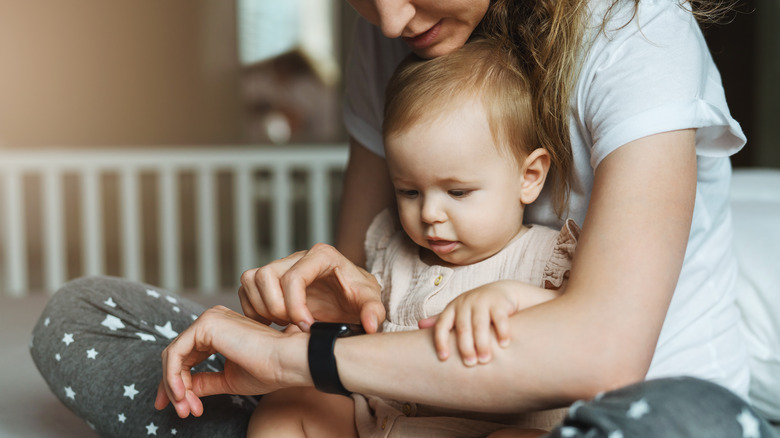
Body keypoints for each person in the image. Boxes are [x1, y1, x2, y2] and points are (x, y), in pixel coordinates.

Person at [30, 0, 780, 437]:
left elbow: (601, 356)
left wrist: (295, 361)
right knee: (82, 317)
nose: (390, 18)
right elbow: (364, 287)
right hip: (393, 402)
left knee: (692, 420)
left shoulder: (637, 31)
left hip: (606, 411)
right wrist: (301, 319)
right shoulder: (395, 28)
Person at [247, 38, 581, 437]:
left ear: (529, 177)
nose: (429, 214)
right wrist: (319, 318)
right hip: (382, 426)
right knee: (290, 406)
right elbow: (357, 332)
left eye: (457, 192)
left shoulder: (546, 257)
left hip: (486, 428)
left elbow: (580, 327)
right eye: (409, 191)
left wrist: (514, 298)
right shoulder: (391, 249)